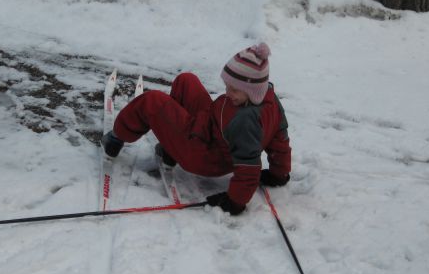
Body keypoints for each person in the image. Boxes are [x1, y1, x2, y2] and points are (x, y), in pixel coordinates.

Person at [101, 42, 291, 215]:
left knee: (152, 102)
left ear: (251, 90)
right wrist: (278, 174)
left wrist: (235, 202)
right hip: (210, 128)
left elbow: (249, 167)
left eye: (233, 89)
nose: (227, 92)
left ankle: (117, 137)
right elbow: (279, 139)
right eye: (227, 86)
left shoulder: (244, 122)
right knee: (186, 81)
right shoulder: (269, 100)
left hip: (205, 156)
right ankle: (171, 150)